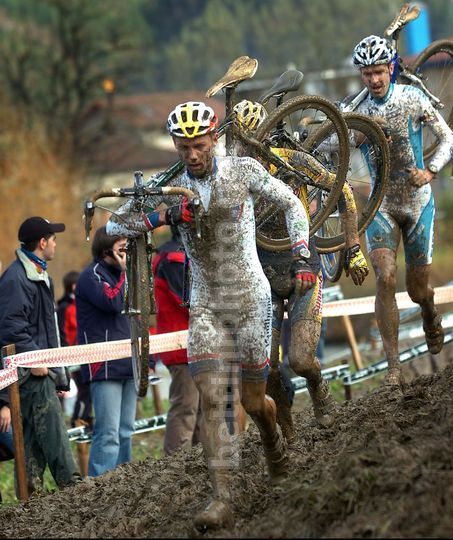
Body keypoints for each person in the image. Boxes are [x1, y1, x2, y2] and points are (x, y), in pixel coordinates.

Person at [107, 100, 314, 531]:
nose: (192, 155)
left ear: (214, 138)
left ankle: (273, 443)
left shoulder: (243, 171)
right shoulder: (170, 185)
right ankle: (222, 499)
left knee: (254, 403)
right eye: (183, 147)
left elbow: (293, 205)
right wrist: (164, 215)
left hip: (251, 298)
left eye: (199, 145)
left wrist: (301, 254)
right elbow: (114, 226)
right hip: (205, 305)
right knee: (213, 397)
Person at [233, 100, 369, 433]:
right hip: (261, 274)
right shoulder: (231, 175)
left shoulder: (293, 160)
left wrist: (352, 248)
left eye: (253, 140)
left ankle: (319, 388)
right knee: (268, 369)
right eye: (240, 142)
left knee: (301, 360)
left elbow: (343, 191)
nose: (247, 150)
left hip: (302, 266)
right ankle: (288, 432)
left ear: (267, 135)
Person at [347, 35, 453, 388]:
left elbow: (448, 137)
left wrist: (431, 171)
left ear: (390, 68)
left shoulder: (412, 97)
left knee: (417, 289)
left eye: (379, 72)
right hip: (382, 205)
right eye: (367, 74)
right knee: (385, 278)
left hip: (417, 201)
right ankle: (393, 368)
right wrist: (353, 135)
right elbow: (333, 144)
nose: (374, 80)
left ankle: (429, 311)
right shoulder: (356, 111)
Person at [0, 216, 82, 494]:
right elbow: (11, 328)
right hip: (30, 370)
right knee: (52, 425)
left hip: (41, 366)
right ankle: (72, 485)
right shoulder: (17, 279)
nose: (56, 244)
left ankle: (30, 495)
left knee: (33, 435)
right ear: (43, 242)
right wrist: (36, 360)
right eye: (54, 239)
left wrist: (57, 371)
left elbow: (47, 328)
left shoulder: (37, 273)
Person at [75, 225, 140, 477]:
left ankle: (124, 483)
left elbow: (137, 316)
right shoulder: (90, 276)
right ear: (106, 252)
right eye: (121, 248)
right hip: (104, 366)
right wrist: (126, 272)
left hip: (128, 361)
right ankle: (99, 485)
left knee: (126, 430)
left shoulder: (127, 276)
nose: (126, 253)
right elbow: (112, 301)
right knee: (108, 433)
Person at [152, 226, 203, 455]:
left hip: (195, 343)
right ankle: (175, 465)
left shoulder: (179, 254)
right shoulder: (173, 258)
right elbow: (189, 301)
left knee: (201, 410)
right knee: (186, 408)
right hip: (181, 345)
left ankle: (198, 461)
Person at [57, 271, 93, 430]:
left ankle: (84, 419)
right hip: (73, 354)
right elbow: (62, 332)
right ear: (72, 286)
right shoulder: (64, 307)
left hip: (86, 352)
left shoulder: (82, 304)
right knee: (85, 389)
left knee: (89, 389)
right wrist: (66, 355)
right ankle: (78, 420)